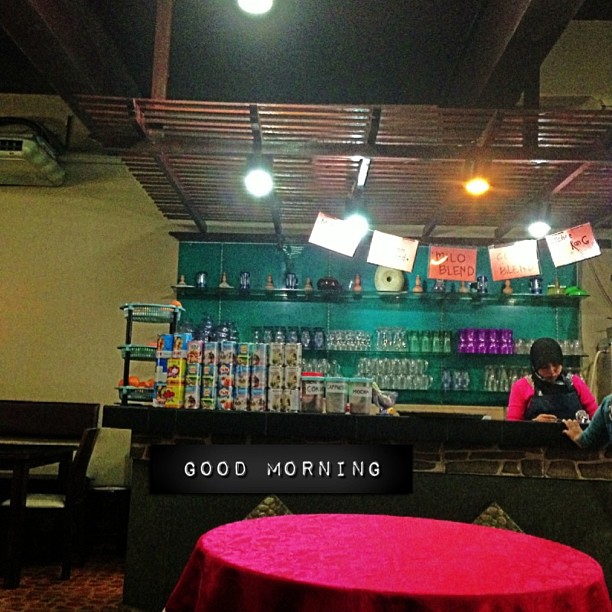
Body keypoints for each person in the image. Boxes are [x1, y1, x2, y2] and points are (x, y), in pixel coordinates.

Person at [506, 337, 598, 422]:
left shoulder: (575, 383)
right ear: (535, 367)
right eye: (545, 367)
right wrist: (533, 424)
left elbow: (597, 419)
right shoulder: (521, 387)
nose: (552, 372)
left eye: (556, 365)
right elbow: (512, 427)